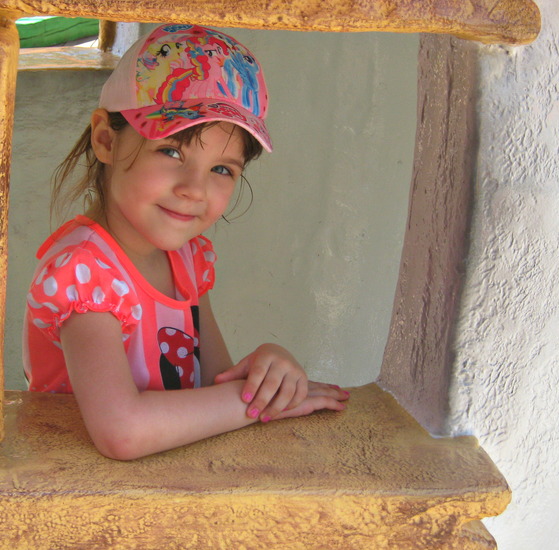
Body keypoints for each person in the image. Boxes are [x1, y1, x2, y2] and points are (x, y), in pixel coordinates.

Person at [23, 24, 348, 460]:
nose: (194, 189)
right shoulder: (84, 273)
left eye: (222, 170)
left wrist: (266, 374)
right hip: (80, 491)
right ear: (106, 140)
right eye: (172, 152)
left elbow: (213, 387)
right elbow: (121, 431)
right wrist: (252, 404)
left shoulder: (187, 260)